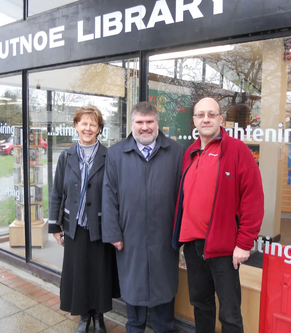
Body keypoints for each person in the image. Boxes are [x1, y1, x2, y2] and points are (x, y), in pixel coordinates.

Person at [172, 97, 264, 333]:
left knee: (230, 313)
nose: (206, 119)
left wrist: (244, 243)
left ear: (221, 119)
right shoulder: (190, 152)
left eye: (211, 114)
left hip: (224, 248)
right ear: (194, 121)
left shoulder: (236, 150)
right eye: (201, 115)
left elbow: (253, 199)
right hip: (192, 246)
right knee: (200, 305)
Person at [102, 101, 184, 333]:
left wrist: (182, 233)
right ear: (132, 124)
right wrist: (113, 233)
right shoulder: (117, 153)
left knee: (164, 287)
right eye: (140, 122)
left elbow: (184, 196)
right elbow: (108, 195)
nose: (145, 127)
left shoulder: (176, 152)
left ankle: (164, 328)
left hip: (165, 237)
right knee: (134, 287)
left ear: (158, 124)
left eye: (150, 122)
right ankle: (135, 327)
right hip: (130, 236)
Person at [48, 106, 120, 333]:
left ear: (99, 129)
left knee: (99, 274)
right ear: (76, 125)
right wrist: (54, 225)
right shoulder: (66, 156)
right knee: (79, 274)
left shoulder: (110, 157)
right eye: (84, 123)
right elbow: (57, 192)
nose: (88, 128)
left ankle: (98, 317)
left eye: (93, 124)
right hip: (75, 228)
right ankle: (83, 317)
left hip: (100, 227)